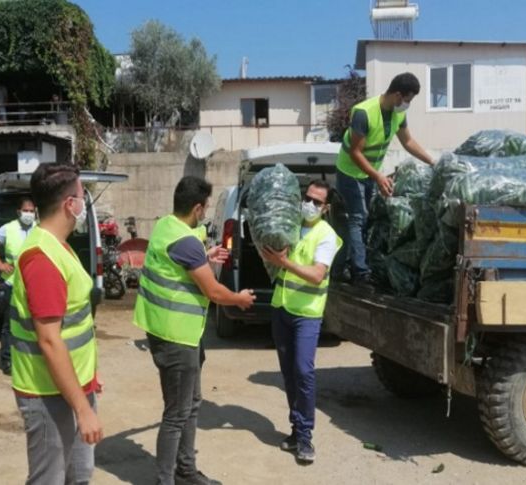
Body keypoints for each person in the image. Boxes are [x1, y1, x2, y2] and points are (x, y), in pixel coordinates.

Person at [133, 176, 256, 485]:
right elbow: (214, 291)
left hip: (175, 333)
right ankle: (167, 480)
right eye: (206, 208)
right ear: (198, 208)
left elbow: (184, 261)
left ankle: (185, 470)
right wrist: (239, 299)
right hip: (176, 337)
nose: (206, 213)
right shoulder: (186, 241)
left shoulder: (166, 226)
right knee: (176, 413)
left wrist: (205, 256)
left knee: (192, 404)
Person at [9, 163, 103, 484]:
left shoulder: (59, 247)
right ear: (69, 205)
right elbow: (49, 340)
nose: (83, 203)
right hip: (48, 394)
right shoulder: (42, 259)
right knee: (49, 479)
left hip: (72, 388)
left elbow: (74, 327)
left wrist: (87, 384)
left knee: (79, 475)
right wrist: (83, 408)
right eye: (81, 196)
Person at [260, 180, 342, 464]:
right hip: (281, 308)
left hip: (307, 314)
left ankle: (306, 437)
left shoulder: (326, 235)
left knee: (303, 372)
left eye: (317, 202)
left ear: (326, 208)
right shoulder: (290, 225)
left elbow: (318, 275)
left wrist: (285, 264)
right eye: (307, 198)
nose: (310, 204)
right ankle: (296, 430)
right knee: (289, 375)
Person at [336, 72, 434, 285]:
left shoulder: (398, 114)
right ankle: (359, 272)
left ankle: (358, 263)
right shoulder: (364, 112)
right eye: (408, 99)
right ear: (398, 95)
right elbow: (355, 152)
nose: (408, 104)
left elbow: (408, 142)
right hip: (350, 171)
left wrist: (433, 162)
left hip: (370, 172)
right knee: (358, 218)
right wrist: (378, 176)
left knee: (366, 217)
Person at [0, 197, 36, 375]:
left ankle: (30, 358)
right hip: (12, 284)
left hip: (33, 285)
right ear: (18, 212)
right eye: (26, 210)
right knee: (9, 324)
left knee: (33, 324)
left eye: (31, 210)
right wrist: (0, 265)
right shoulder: (9, 228)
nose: (28, 214)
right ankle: (7, 360)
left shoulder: (40, 229)